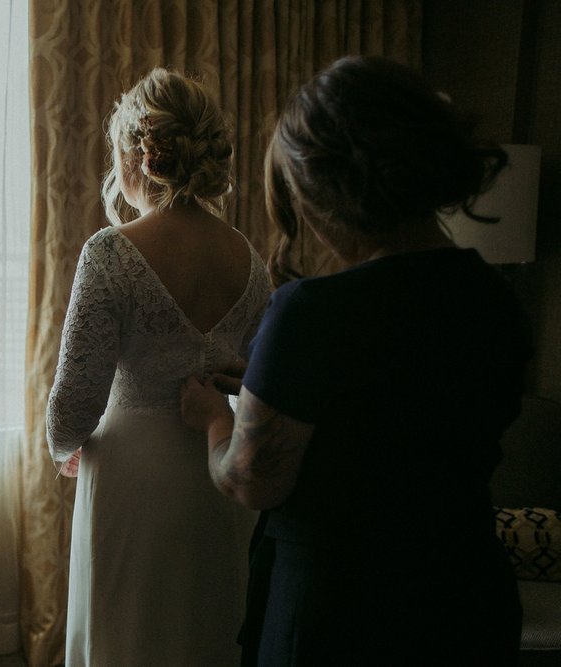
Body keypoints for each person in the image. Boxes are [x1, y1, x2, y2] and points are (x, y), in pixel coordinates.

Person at [181, 55, 532, 666]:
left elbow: (250, 479)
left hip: (347, 614)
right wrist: (272, 385)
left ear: (332, 189)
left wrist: (215, 417)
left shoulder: (311, 311)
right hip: (464, 599)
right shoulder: (494, 299)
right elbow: (400, 401)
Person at [46, 67, 271, 666]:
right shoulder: (251, 260)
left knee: (129, 639)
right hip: (218, 472)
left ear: (136, 154)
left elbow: (72, 406)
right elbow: (256, 382)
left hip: (132, 480)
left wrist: (63, 446)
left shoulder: (111, 252)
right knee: (208, 634)